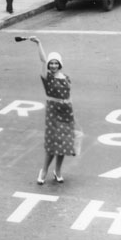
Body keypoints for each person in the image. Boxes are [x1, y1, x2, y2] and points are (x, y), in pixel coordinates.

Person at [26, 36, 77, 185]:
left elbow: (68, 96)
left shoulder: (66, 78)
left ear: (60, 64)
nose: (53, 65)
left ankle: (58, 171)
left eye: (56, 63)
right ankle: (44, 170)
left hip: (66, 113)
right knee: (52, 144)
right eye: (51, 63)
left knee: (64, 144)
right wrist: (39, 43)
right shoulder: (47, 77)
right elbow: (43, 60)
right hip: (53, 113)